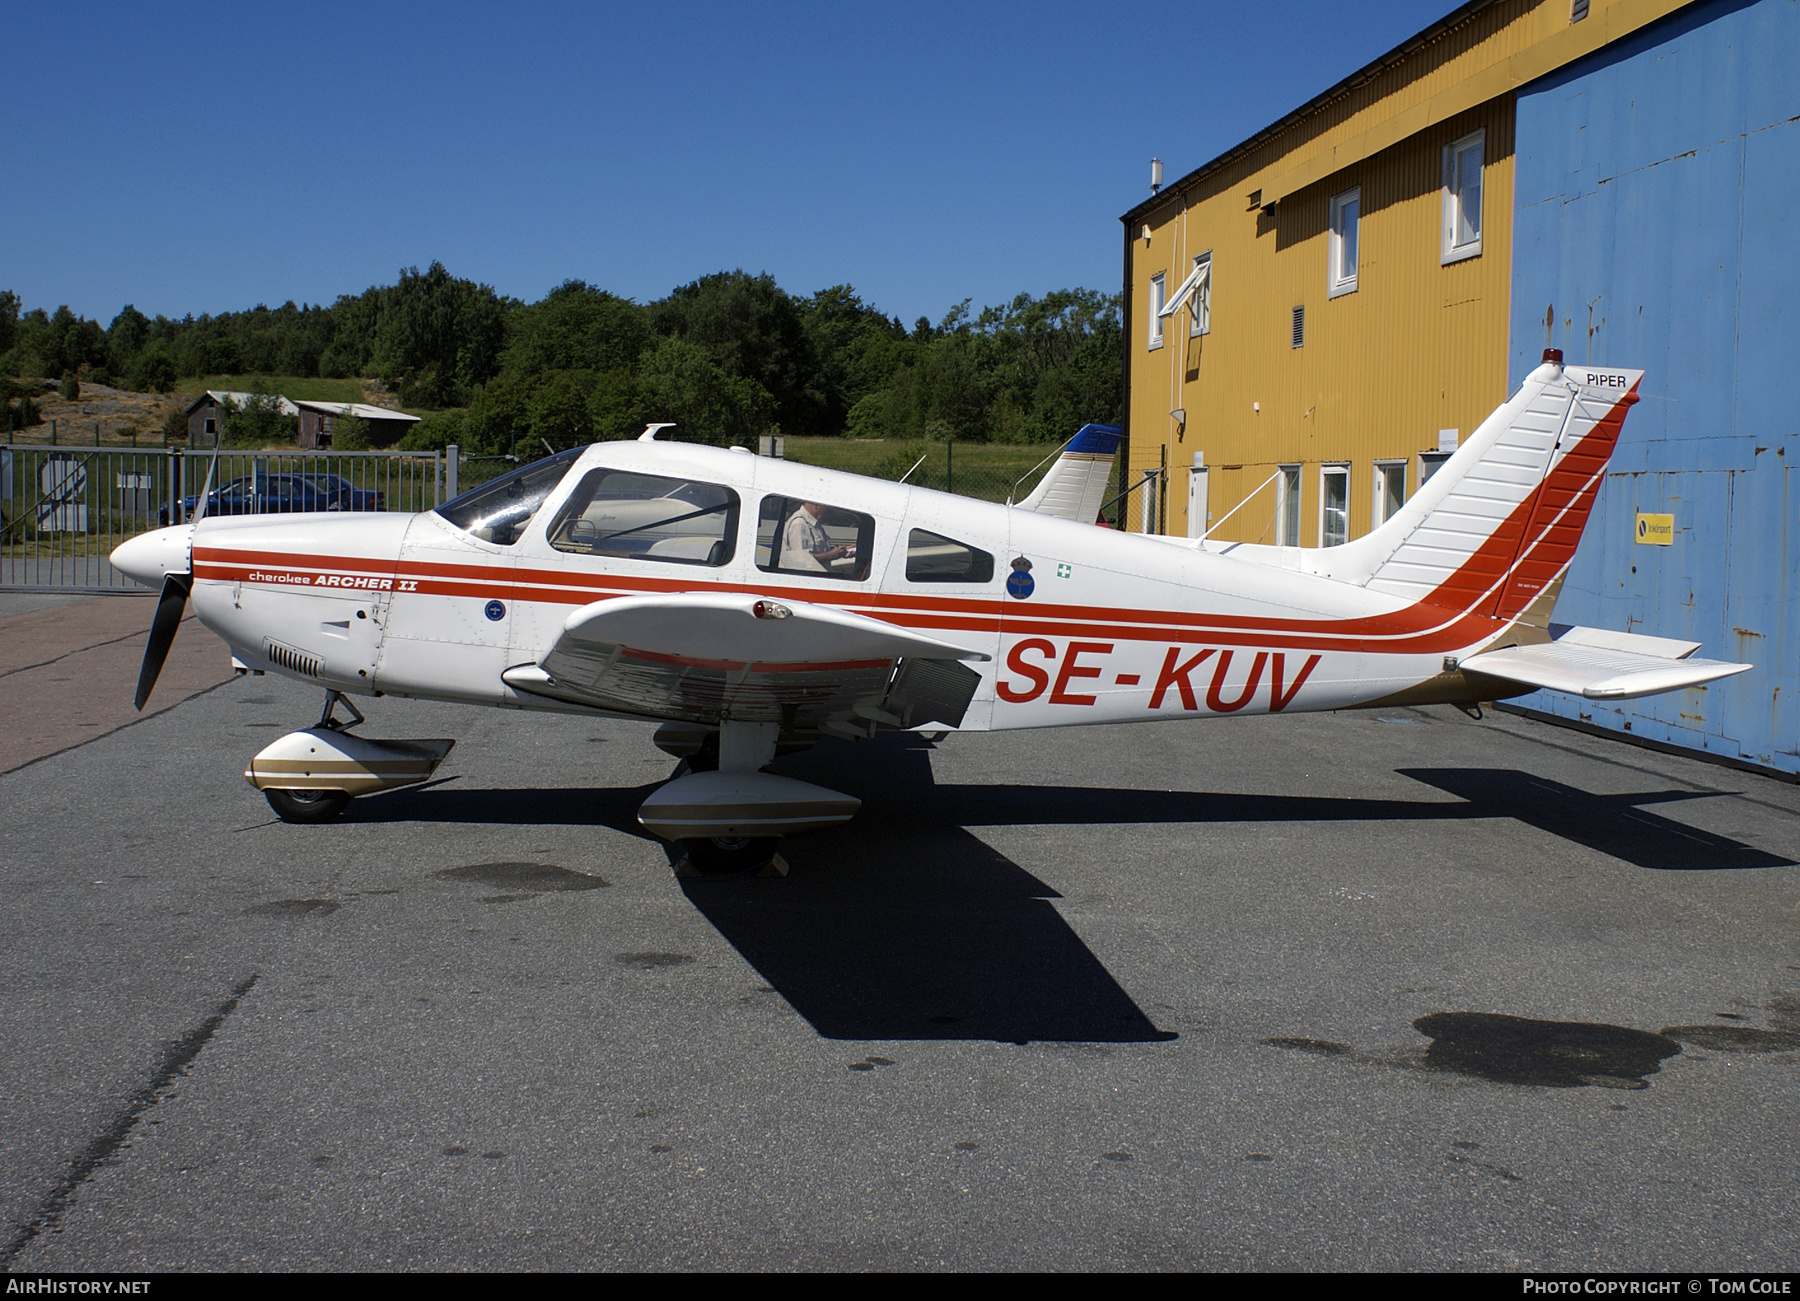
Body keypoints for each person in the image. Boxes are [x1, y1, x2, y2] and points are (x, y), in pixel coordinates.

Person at [781, 501, 855, 570]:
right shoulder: (800, 524)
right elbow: (802, 561)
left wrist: (843, 551)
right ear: (816, 505)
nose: (829, 514)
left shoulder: (815, 524)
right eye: (827, 509)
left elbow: (818, 552)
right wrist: (830, 555)